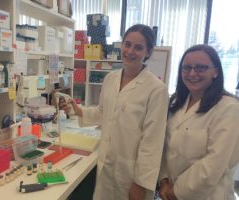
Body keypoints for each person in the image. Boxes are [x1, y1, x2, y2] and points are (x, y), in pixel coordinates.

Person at [69, 24, 169, 200]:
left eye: (138, 47)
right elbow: (103, 112)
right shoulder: (110, 79)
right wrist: (80, 111)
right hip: (106, 166)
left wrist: (140, 183)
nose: (130, 51)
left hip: (131, 175)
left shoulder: (156, 89)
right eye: (127, 44)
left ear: (149, 52)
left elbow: (152, 142)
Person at [158, 44, 239, 200]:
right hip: (169, 190)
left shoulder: (229, 108)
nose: (192, 73)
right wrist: (164, 180)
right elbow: (164, 148)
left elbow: (215, 163)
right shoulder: (176, 103)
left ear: (215, 72)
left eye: (201, 68)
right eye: (186, 68)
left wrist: (177, 191)